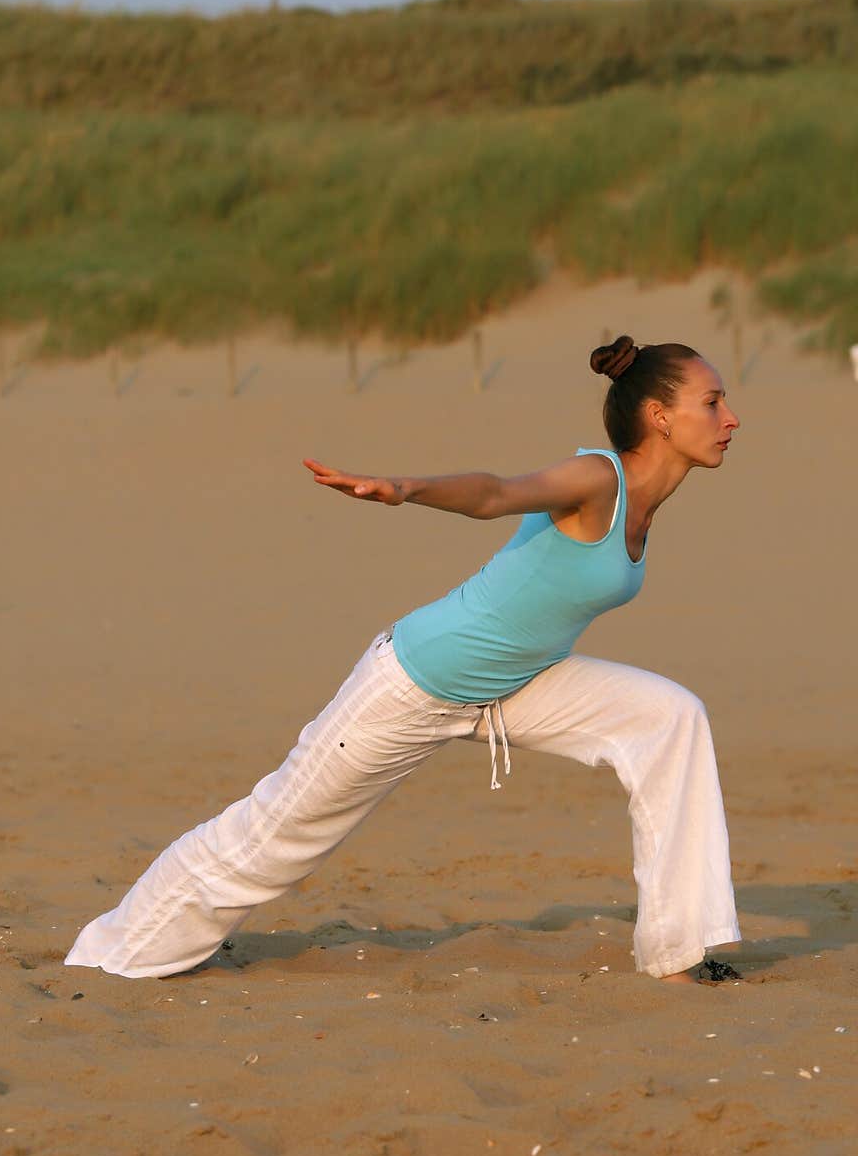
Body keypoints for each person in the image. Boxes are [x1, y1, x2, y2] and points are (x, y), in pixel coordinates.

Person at [65, 333, 742, 985]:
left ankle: (676, 952)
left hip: (514, 686)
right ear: (659, 415)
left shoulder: (646, 508)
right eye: (712, 402)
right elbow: (496, 493)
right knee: (272, 838)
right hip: (417, 681)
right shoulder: (599, 479)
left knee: (670, 718)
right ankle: (116, 956)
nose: (729, 417)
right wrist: (405, 487)